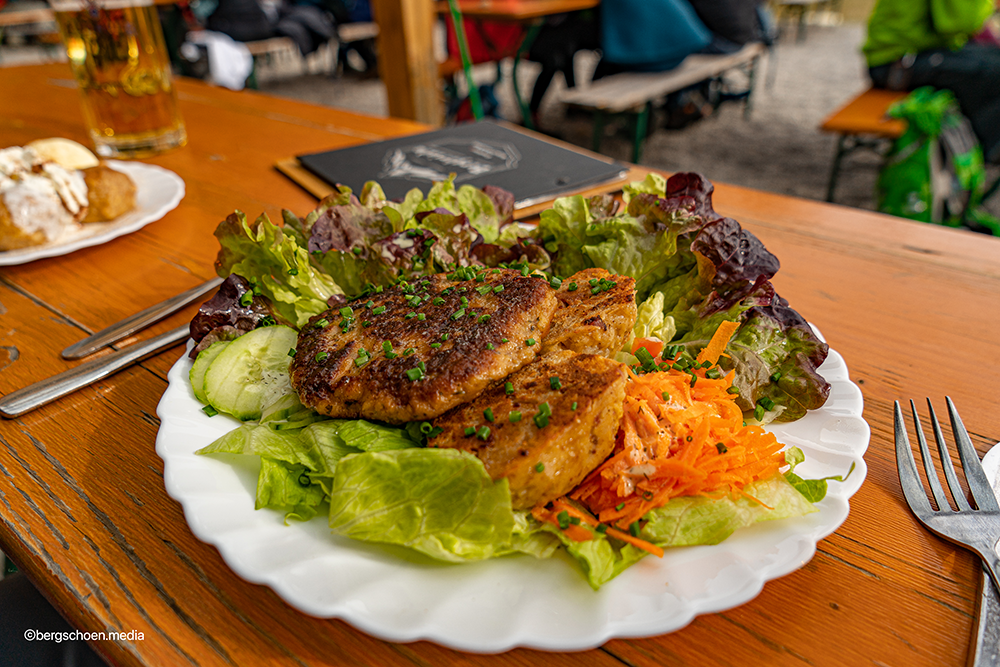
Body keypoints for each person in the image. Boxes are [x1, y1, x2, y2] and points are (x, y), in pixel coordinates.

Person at [863, 0, 1000, 163]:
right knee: (993, 71)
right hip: (897, 66)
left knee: (991, 61)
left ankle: (976, 147)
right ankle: (975, 155)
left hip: (907, 54)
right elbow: (961, 23)